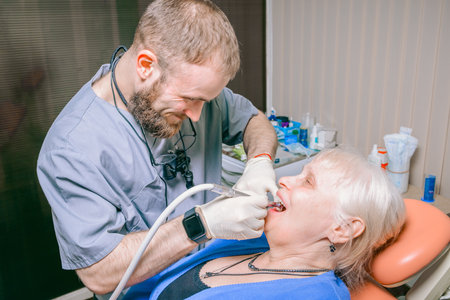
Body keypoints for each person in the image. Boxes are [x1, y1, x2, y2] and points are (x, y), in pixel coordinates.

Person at [36, 0, 278, 297]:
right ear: (146, 66)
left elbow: (254, 120)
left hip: (210, 273)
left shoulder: (196, 93)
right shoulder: (71, 150)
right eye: (189, 99)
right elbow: (99, 273)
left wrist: (260, 161)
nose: (198, 115)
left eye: (206, 100)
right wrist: (200, 225)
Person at [124, 148, 407, 300]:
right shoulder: (252, 238)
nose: (284, 179)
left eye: (307, 181)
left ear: (342, 229)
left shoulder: (312, 296)